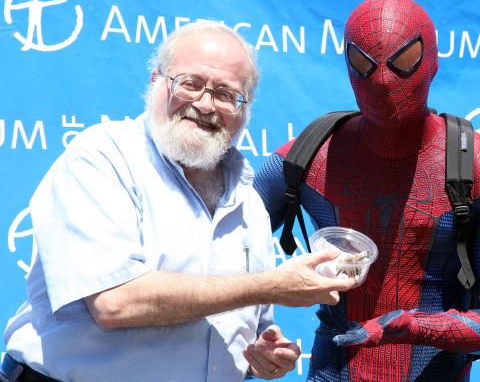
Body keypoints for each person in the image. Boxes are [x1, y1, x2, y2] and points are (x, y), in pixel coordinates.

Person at [1, 21, 357, 382]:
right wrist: (270, 285)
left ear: (244, 108)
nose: (204, 104)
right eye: (190, 84)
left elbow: (239, 322)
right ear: (157, 80)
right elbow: (115, 302)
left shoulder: (249, 202)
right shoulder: (102, 158)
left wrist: (262, 354)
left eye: (224, 93)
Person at [253, 0, 480, 381]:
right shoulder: (311, 156)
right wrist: (256, 328)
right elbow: (216, 253)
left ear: (431, 60)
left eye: (403, 61)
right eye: (363, 64)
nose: (383, 80)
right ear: (347, 64)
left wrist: (412, 325)